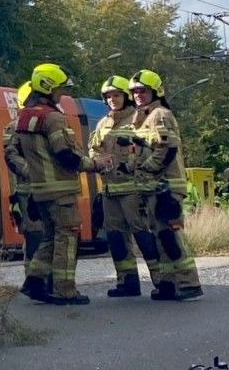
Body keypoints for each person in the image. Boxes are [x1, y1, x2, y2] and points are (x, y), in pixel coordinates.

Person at [15, 62, 111, 305]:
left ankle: (34, 281)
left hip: (39, 190)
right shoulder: (53, 117)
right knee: (67, 238)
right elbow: (64, 154)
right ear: (48, 88)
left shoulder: (24, 117)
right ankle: (65, 290)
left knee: (50, 236)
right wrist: (94, 164)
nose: (62, 94)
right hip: (61, 190)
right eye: (59, 89)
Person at [130, 69, 204, 301]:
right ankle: (169, 284)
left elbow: (167, 147)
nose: (138, 95)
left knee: (171, 235)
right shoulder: (144, 117)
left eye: (143, 91)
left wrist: (147, 167)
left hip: (166, 186)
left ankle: (190, 283)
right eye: (135, 92)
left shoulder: (160, 115)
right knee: (161, 236)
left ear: (156, 91)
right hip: (155, 186)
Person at [87, 75, 161, 298]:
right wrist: (98, 160)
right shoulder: (102, 124)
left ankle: (161, 280)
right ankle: (127, 282)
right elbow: (92, 150)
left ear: (126, 97)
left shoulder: (138, 119)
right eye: (108, 97)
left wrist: (128, 163)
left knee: (143, 235)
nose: (112, 100)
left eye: (116, 95)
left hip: (133, 189)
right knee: (116, 238)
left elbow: (147, 150)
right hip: (110, 190)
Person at [3, 82, 47, 299]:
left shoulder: (51, 122)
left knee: (49, 236)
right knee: (35, 235)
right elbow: (11, 156)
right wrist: (32, 171)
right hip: (28, 192)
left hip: (48, 190)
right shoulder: (14, 127)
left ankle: (44, 281)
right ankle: (33, 281)